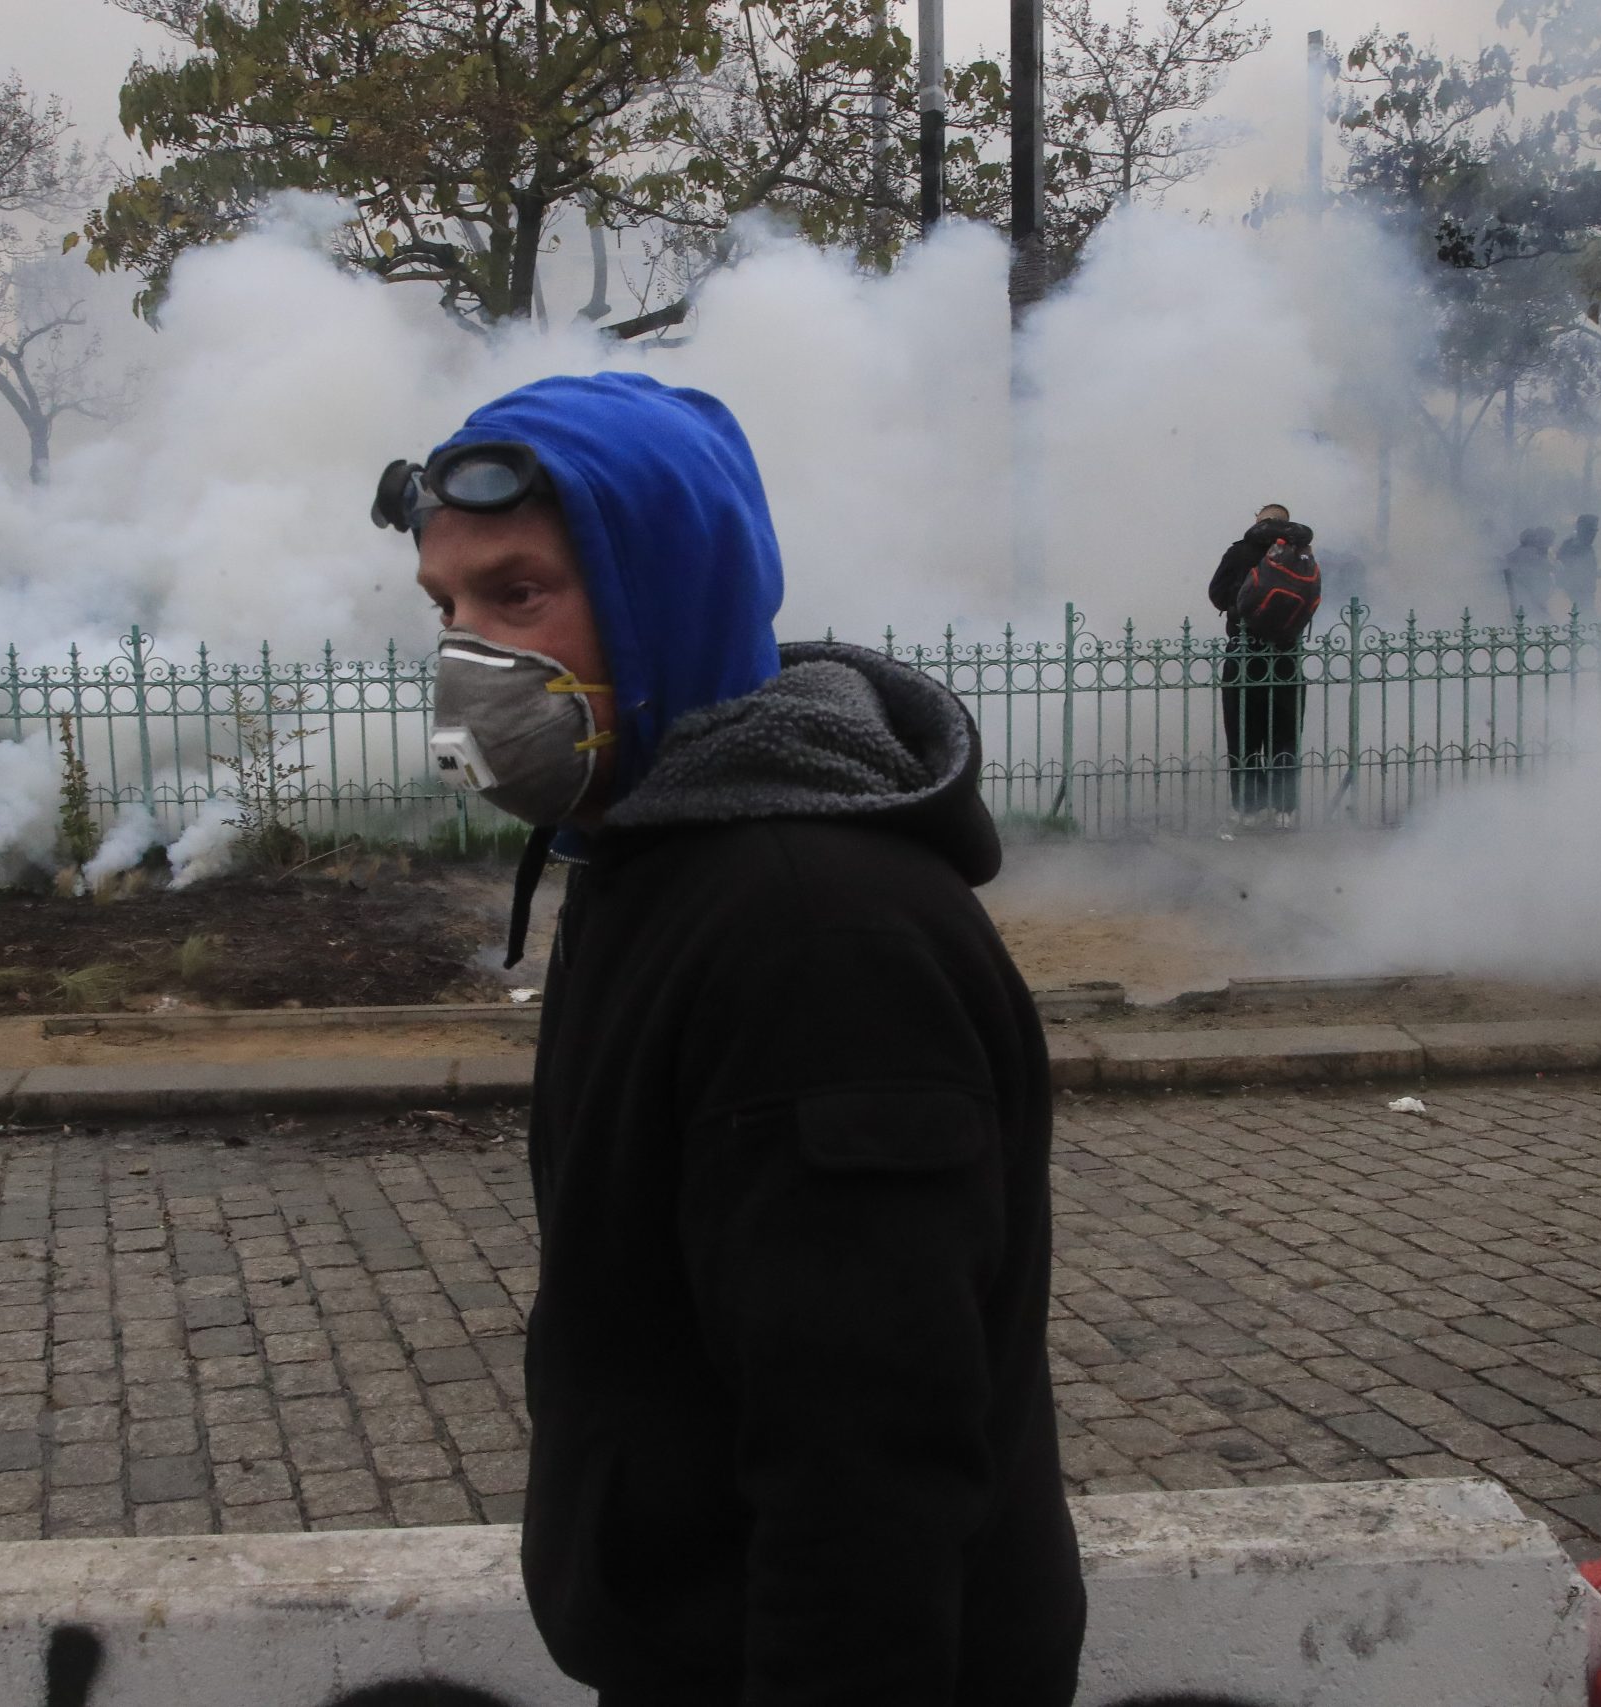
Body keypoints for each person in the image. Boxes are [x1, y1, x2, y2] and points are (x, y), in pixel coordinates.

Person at [371, 371, 1087, 1707]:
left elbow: (866, 1487)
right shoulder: (665, 856)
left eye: (517, 594)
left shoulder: (815, 938)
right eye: (447, 607)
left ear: (665, 594)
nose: (468, 654)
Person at [1207, 503, 1314, 832]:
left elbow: (1216, 593)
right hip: (1286, 655)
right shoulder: (1302, 554)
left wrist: (1236, 604)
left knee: (1243, 734)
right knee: (1285, 734)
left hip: (1244, 651)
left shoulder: (1241, 552)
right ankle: (1285, 809)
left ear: (1259, 522)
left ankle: (1249, 809)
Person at [1500, 526, 1555, 620]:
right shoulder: (1532, 552)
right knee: (1536, 611)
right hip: (1532, 586)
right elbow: (1546, 566)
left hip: (1520, 587)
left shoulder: (1514, 553)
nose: (1536, 540)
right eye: (1534, 537)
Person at [1553, 514, 1601, 618]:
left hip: (1584, 591)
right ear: (1583, 530)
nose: (1593, 535)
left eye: (1594, 531)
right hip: (1577, 592)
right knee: (1584, 617)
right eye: (1591, 531)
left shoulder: (1584, 546)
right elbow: (1569, 569)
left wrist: (1595, 574)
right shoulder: (1573, 546)